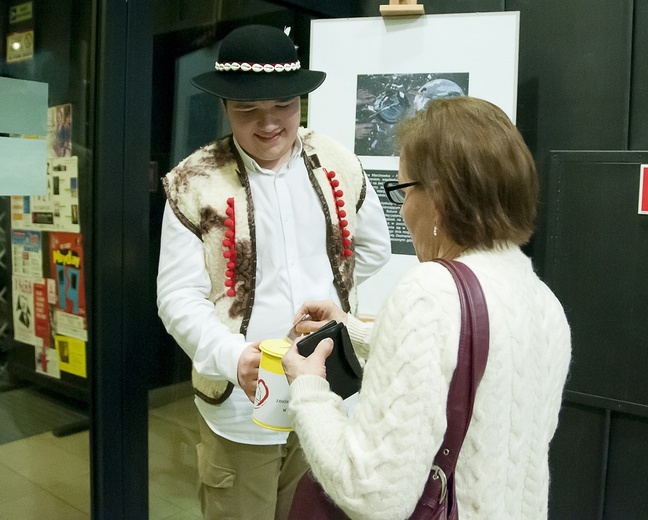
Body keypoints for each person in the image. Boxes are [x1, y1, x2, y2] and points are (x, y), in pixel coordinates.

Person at [282, 96, 572, 519]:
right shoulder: (547, 305)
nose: (401, 207)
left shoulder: (430, 290)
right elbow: (472, 369)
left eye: (402, 188)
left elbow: (373, 492)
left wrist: (308, 389)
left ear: (438, 198)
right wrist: (351, 327)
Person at [156, 24, 391, 520]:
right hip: (240, 405)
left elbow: (372, 248)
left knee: (314, 510)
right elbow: (177, 296)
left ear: (300, 100)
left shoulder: (335, 163)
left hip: (324, 388)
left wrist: (331, 295)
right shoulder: (193, 182)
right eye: (248, 111)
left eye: (283, 106)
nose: (269, 124)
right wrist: (231, 354)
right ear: (224, 107)